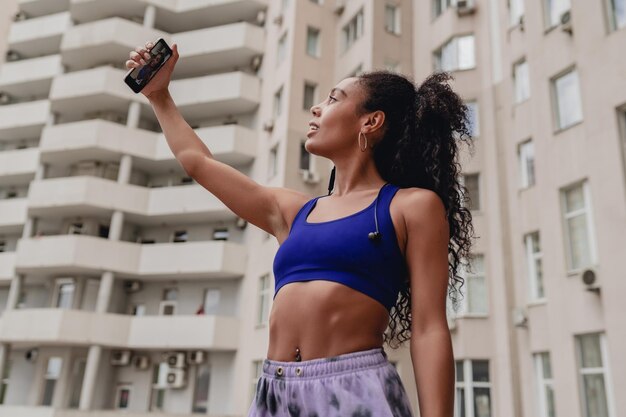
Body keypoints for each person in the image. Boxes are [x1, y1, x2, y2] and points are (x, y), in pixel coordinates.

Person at [126, 41, 475, 417]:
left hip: (355, 391)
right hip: (275, 393)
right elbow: (196, 162)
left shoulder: (411, 206)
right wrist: (158, 95)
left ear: (370, 122)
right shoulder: (292, 212)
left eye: (333, 99)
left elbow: (429, 329)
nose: (316, 108)